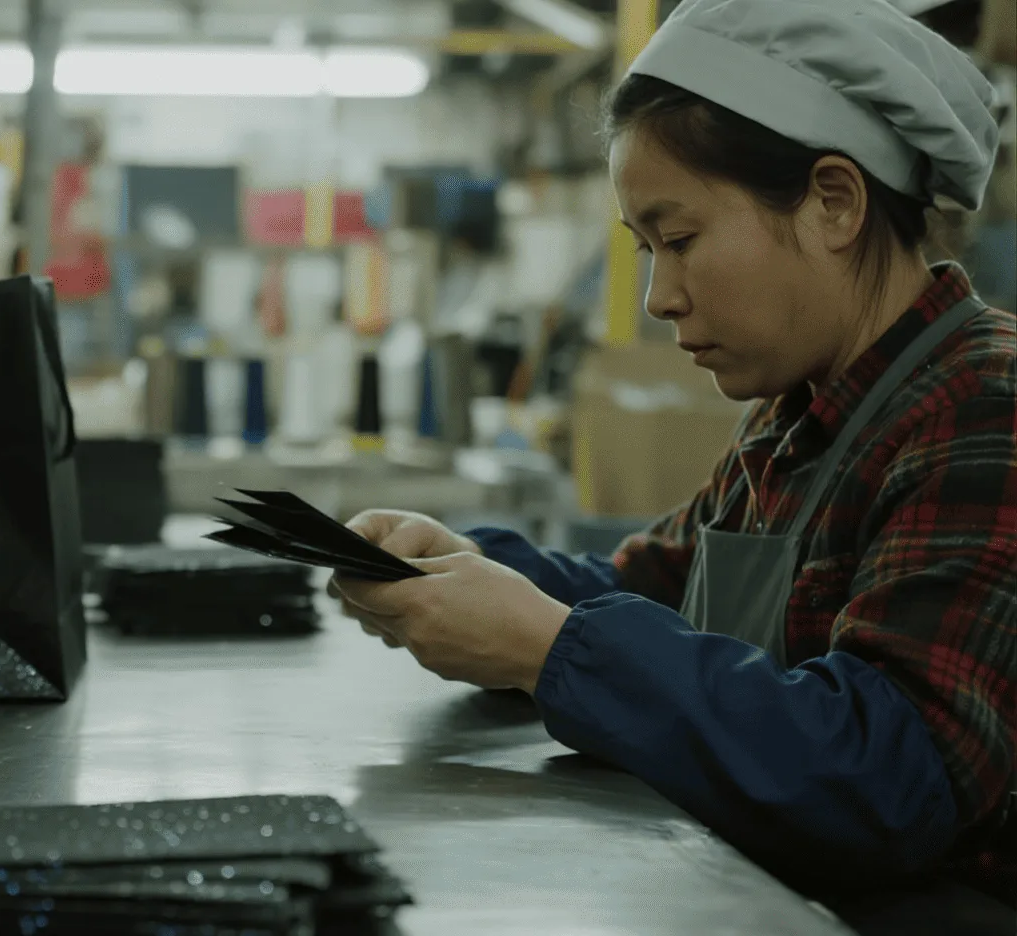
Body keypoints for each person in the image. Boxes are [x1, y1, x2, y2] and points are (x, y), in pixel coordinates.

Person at [330, 0, 1015, 931]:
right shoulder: (796, 419)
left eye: (679, 239)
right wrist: (474, 572)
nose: (658, 296)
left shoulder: (983, 409)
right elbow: (652, 593)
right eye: (645, 249)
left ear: (833, 202)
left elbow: (892, 779)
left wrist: (542, 644)